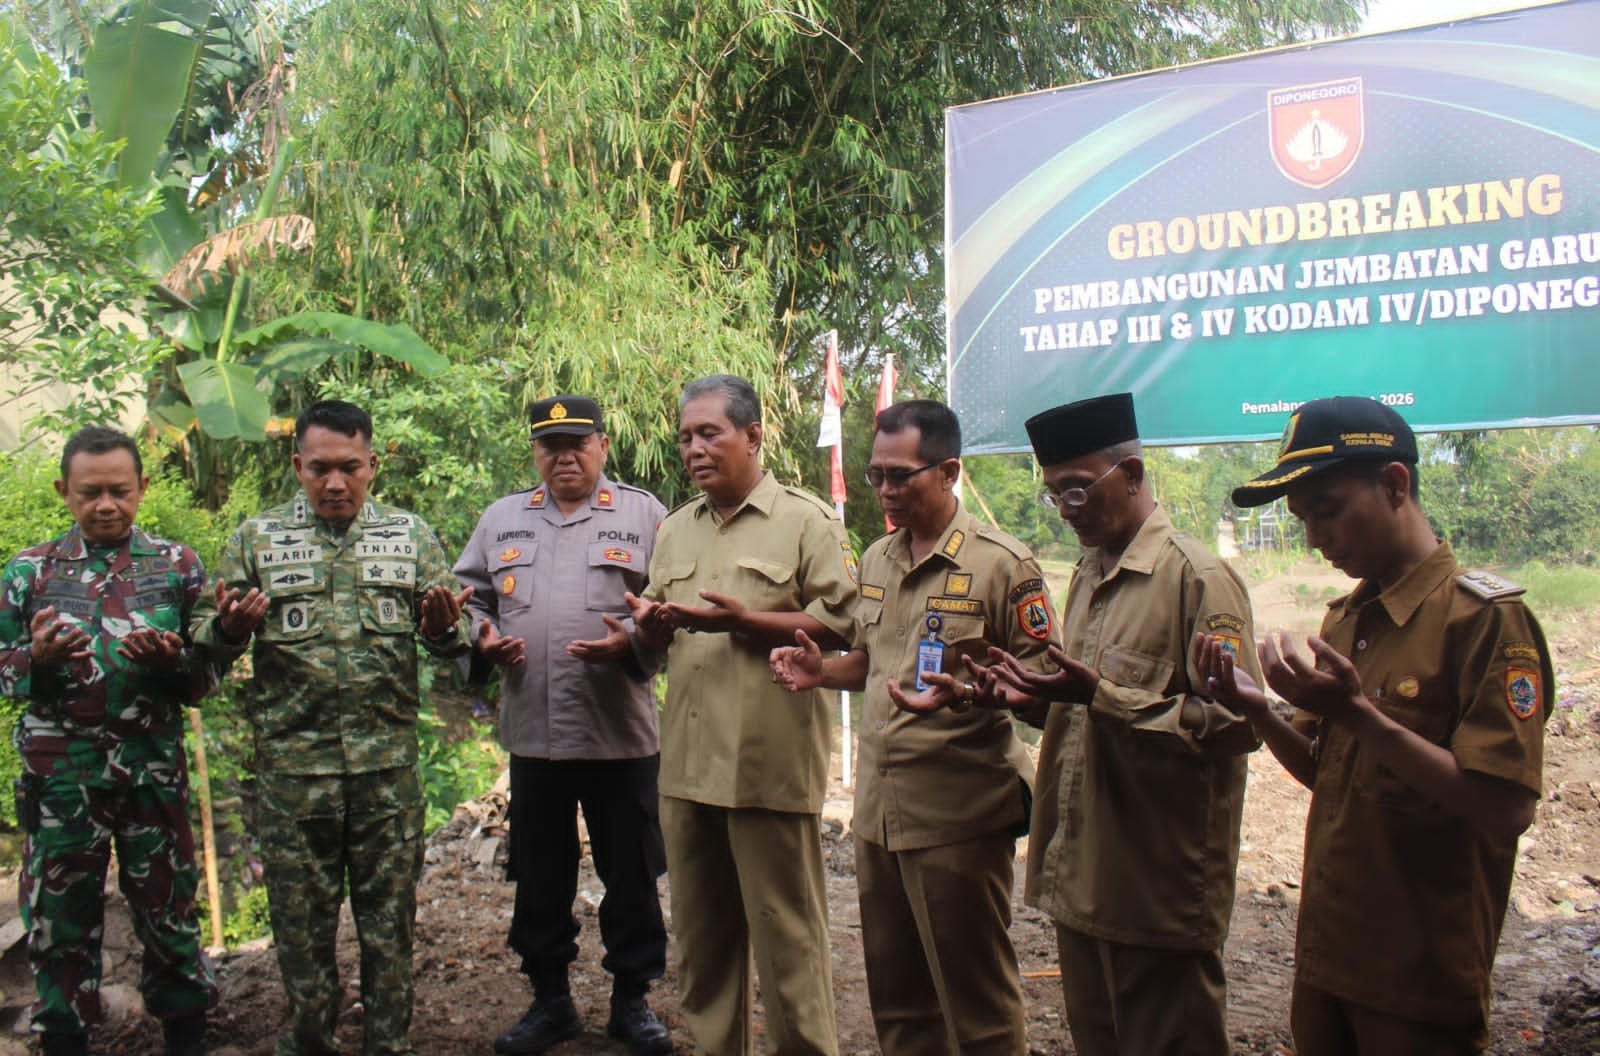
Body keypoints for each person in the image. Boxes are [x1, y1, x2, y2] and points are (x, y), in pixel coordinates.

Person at [1197, 396, 1554, 1056]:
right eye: (1302, 519)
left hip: (1418, 979)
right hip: (1330, 960)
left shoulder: (1482, 620)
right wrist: (1259, 710)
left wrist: (1360, 716)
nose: (1315, 538)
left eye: (1327, 510)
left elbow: (1505, 808)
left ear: (1394, 485)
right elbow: (1327, 772)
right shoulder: (1347, 619)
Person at [979, 392, 1261, 1056]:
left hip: (1158, 891)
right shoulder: (1088, 573)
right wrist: (1023, 698)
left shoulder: (1198, 579)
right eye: (1054, 494)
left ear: (1131, 474)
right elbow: (1082, 715)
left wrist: (1103, 696)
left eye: (1077, 489)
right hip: (1084, 879)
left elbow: (1238, 726)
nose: (1066, 509)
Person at [769, 400, 1049, 1056]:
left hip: (959, 817)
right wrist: (821, 670)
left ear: (949, 471)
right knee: (899, 1002)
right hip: (879, 818)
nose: (886, 490)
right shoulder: (877, 558)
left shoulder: (1003, 566)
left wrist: (977, 692)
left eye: (901, 476)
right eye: (876, 476)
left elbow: (1045, 694)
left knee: (977, 1003)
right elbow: (873, 662)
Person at [191, 400, 470, 1056]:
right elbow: (202, 640)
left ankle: (388, 1044)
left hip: (386, 778)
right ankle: (309, 1040)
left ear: (373, 465)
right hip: (294, 779)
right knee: (300, 932)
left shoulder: (410, 536)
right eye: (320, 469)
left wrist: (441, 630)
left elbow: (452, 637)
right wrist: (228, 629)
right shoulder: (256, 540)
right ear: (298, 466)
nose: (335, 483)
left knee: (389, 930)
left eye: (350, 467)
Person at [628, 375, 857, 1056]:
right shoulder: (674, 529)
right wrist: (646, 627)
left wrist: (746, 622)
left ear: (753, 436)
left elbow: (843, 625)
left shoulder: (806, 522)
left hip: (768, 768)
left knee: (789, 942)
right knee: (702, 948)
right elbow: (657, 624)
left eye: (710, 433)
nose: (694, 449)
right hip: (687, 770)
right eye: (685, 438)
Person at [453, 395, 672, 1056]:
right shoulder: (502, 519)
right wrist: (481, 637)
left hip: (619, 733)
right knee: (540, 876)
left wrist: (633, 640)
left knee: (630, 875)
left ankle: (632, 1002)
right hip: (535, 733)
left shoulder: (645, 515)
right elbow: (468, 600)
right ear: (535, 452)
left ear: (603, 445)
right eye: (551, 445)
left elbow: (670, 605)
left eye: (578, 442)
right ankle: (550, 1001)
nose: (565, 456)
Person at [0, 426, 218, 1056]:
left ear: (142, 488)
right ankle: (63, 1035)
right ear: (63, 491)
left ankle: (186, 1033)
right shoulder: (28, 572)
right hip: (62, 780)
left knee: (168, 908)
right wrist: (37, 661)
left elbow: (205, 677)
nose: (105, 505)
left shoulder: (177, 566)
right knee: (59, 915)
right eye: (89, 492)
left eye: (119, 491)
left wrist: (172, 663)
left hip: (151, 772)